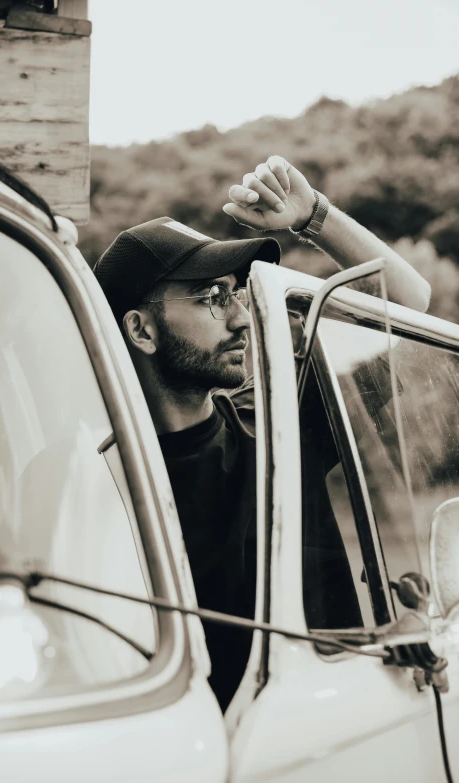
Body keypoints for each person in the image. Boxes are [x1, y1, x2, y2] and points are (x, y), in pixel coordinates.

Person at [93, 155, 431, 712]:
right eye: (211, 298)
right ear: (141, 329)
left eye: (236, 294)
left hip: (332, 734)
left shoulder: (276, 423)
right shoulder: (101, 486)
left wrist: (313, 216)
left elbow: (407, 305)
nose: (242, 318)